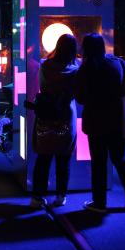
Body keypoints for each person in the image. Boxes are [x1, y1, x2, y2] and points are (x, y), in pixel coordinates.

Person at [74, 33, 125, 213]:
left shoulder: (86, 68)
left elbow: (79, 98)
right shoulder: (118, 62)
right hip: (117, 120)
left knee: (99, 163)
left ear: (85, 48)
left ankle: (99, 203)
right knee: (120, 159)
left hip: (95, 122)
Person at [29, 33, 79, 209]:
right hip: (65, 116)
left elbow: (41, 87)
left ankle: (37, 196)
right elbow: (77, 94)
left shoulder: (45, 66)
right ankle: (60, 196)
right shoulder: (75, 70)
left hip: (45, 115)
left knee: (43, 158)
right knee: (63, 159)